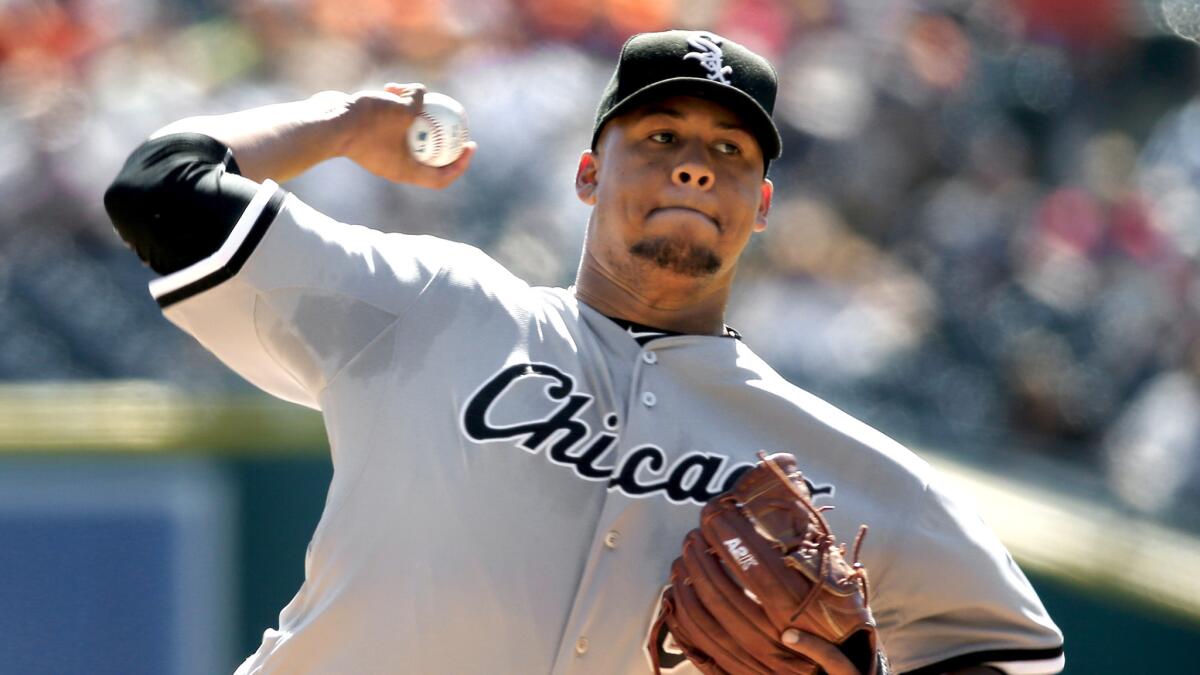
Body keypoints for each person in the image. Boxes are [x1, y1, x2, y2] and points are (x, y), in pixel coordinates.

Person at [104, 29, 1065, 675]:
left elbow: (1019, 652)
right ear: (588, 173)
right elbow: (162, 188)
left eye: (732, 151)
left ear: (762, 207)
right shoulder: (437, 305)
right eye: (659, 134)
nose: (696, 161)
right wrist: (351, 124)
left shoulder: (837, 468)